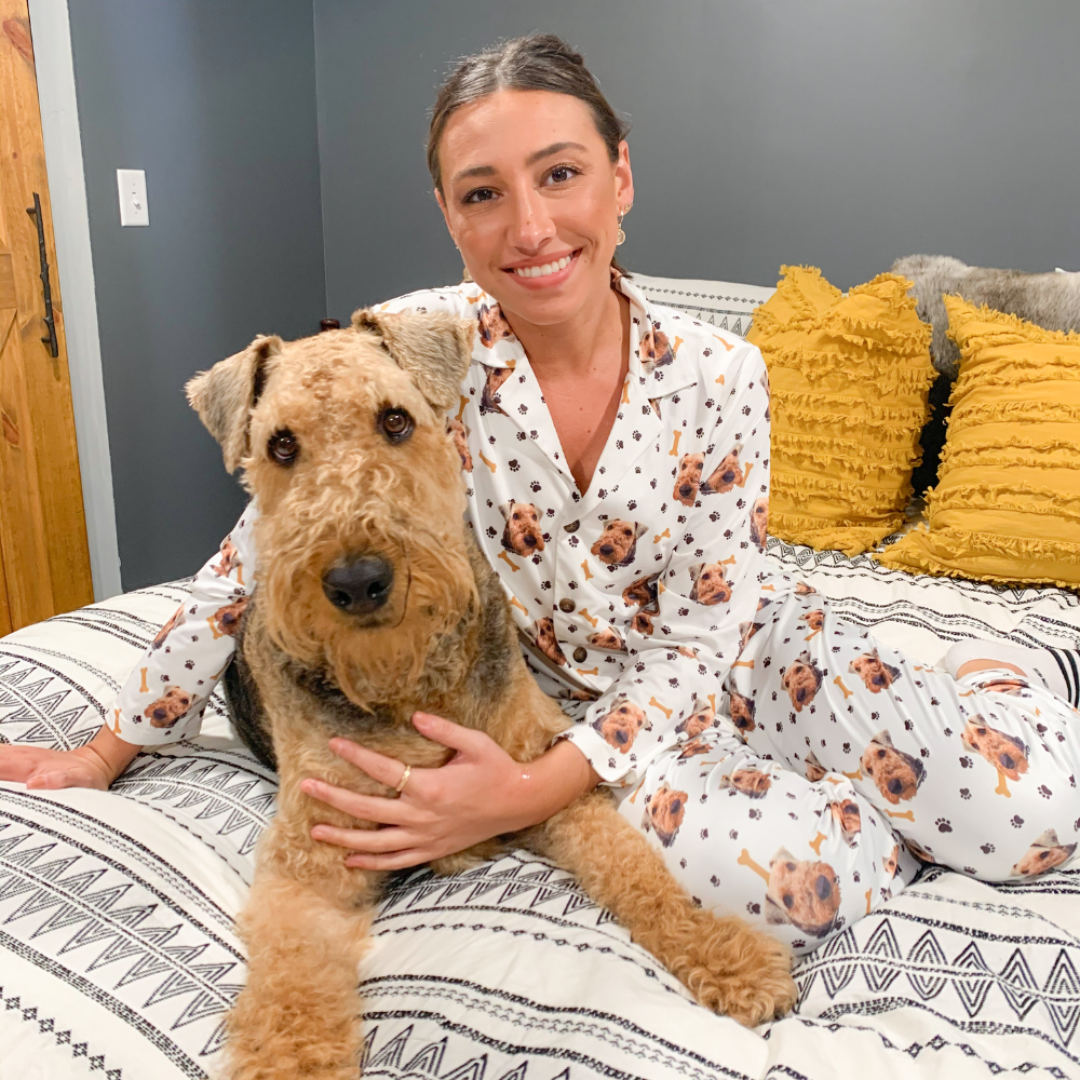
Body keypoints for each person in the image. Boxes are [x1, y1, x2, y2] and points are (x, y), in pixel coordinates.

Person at [4, 34, 1080, 957]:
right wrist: (108, 748)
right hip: (577, 711)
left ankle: (983, 677)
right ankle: (892, 812)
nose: (528, 227)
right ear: (449, 215)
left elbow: (711, 627)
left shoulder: (720, 373)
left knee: (1031, 814)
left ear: (620, 179)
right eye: (484, 193)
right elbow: (260, 550)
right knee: (790, 885)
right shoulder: (410, 359)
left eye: (560, 174)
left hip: (750, 653)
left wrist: (523, 797)